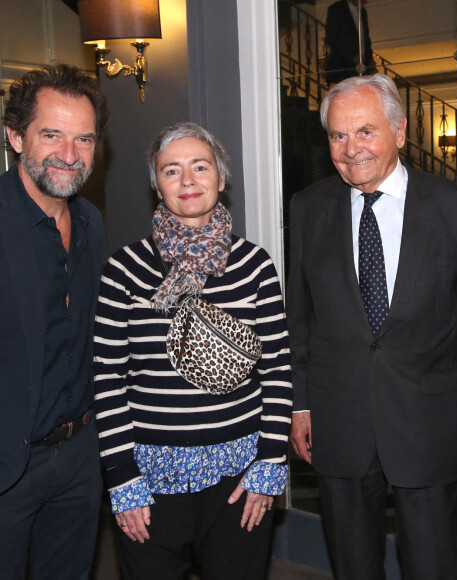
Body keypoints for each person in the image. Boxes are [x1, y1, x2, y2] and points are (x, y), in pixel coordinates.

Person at [286, 73, 457, 580]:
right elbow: (301, 317)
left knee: (433, 562)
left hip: (430, 420)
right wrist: (300, 403)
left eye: (365, 131)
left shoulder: (455, 208)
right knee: (353, 564)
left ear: (400, 132)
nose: (350, 148)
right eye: (338, 135)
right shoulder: (308, 208)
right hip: (339, 420)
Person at [93, 122, 292, 580]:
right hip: (148, 482)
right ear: (156, 184)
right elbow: (107, 378)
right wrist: (122, 475)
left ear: (221, 179)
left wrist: (270, 461)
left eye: (200, 167)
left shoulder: (255, 266)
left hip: (239, 480)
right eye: (171, 170)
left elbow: (278, 369)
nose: (187, 181)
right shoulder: (123, 270)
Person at [0, 64, 109, 579]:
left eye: (83, 138)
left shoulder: (90, 222)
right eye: (52, 135)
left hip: (81, 457)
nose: (70, 154)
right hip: (8, 466)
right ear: (16, 136)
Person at [325, 0, 376, 85]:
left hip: (361, 65)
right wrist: (352, 56)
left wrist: (370, 58)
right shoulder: (337, 9)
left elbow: (365, 39)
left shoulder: (362, 12)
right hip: (343, 65)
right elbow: (332, 38)